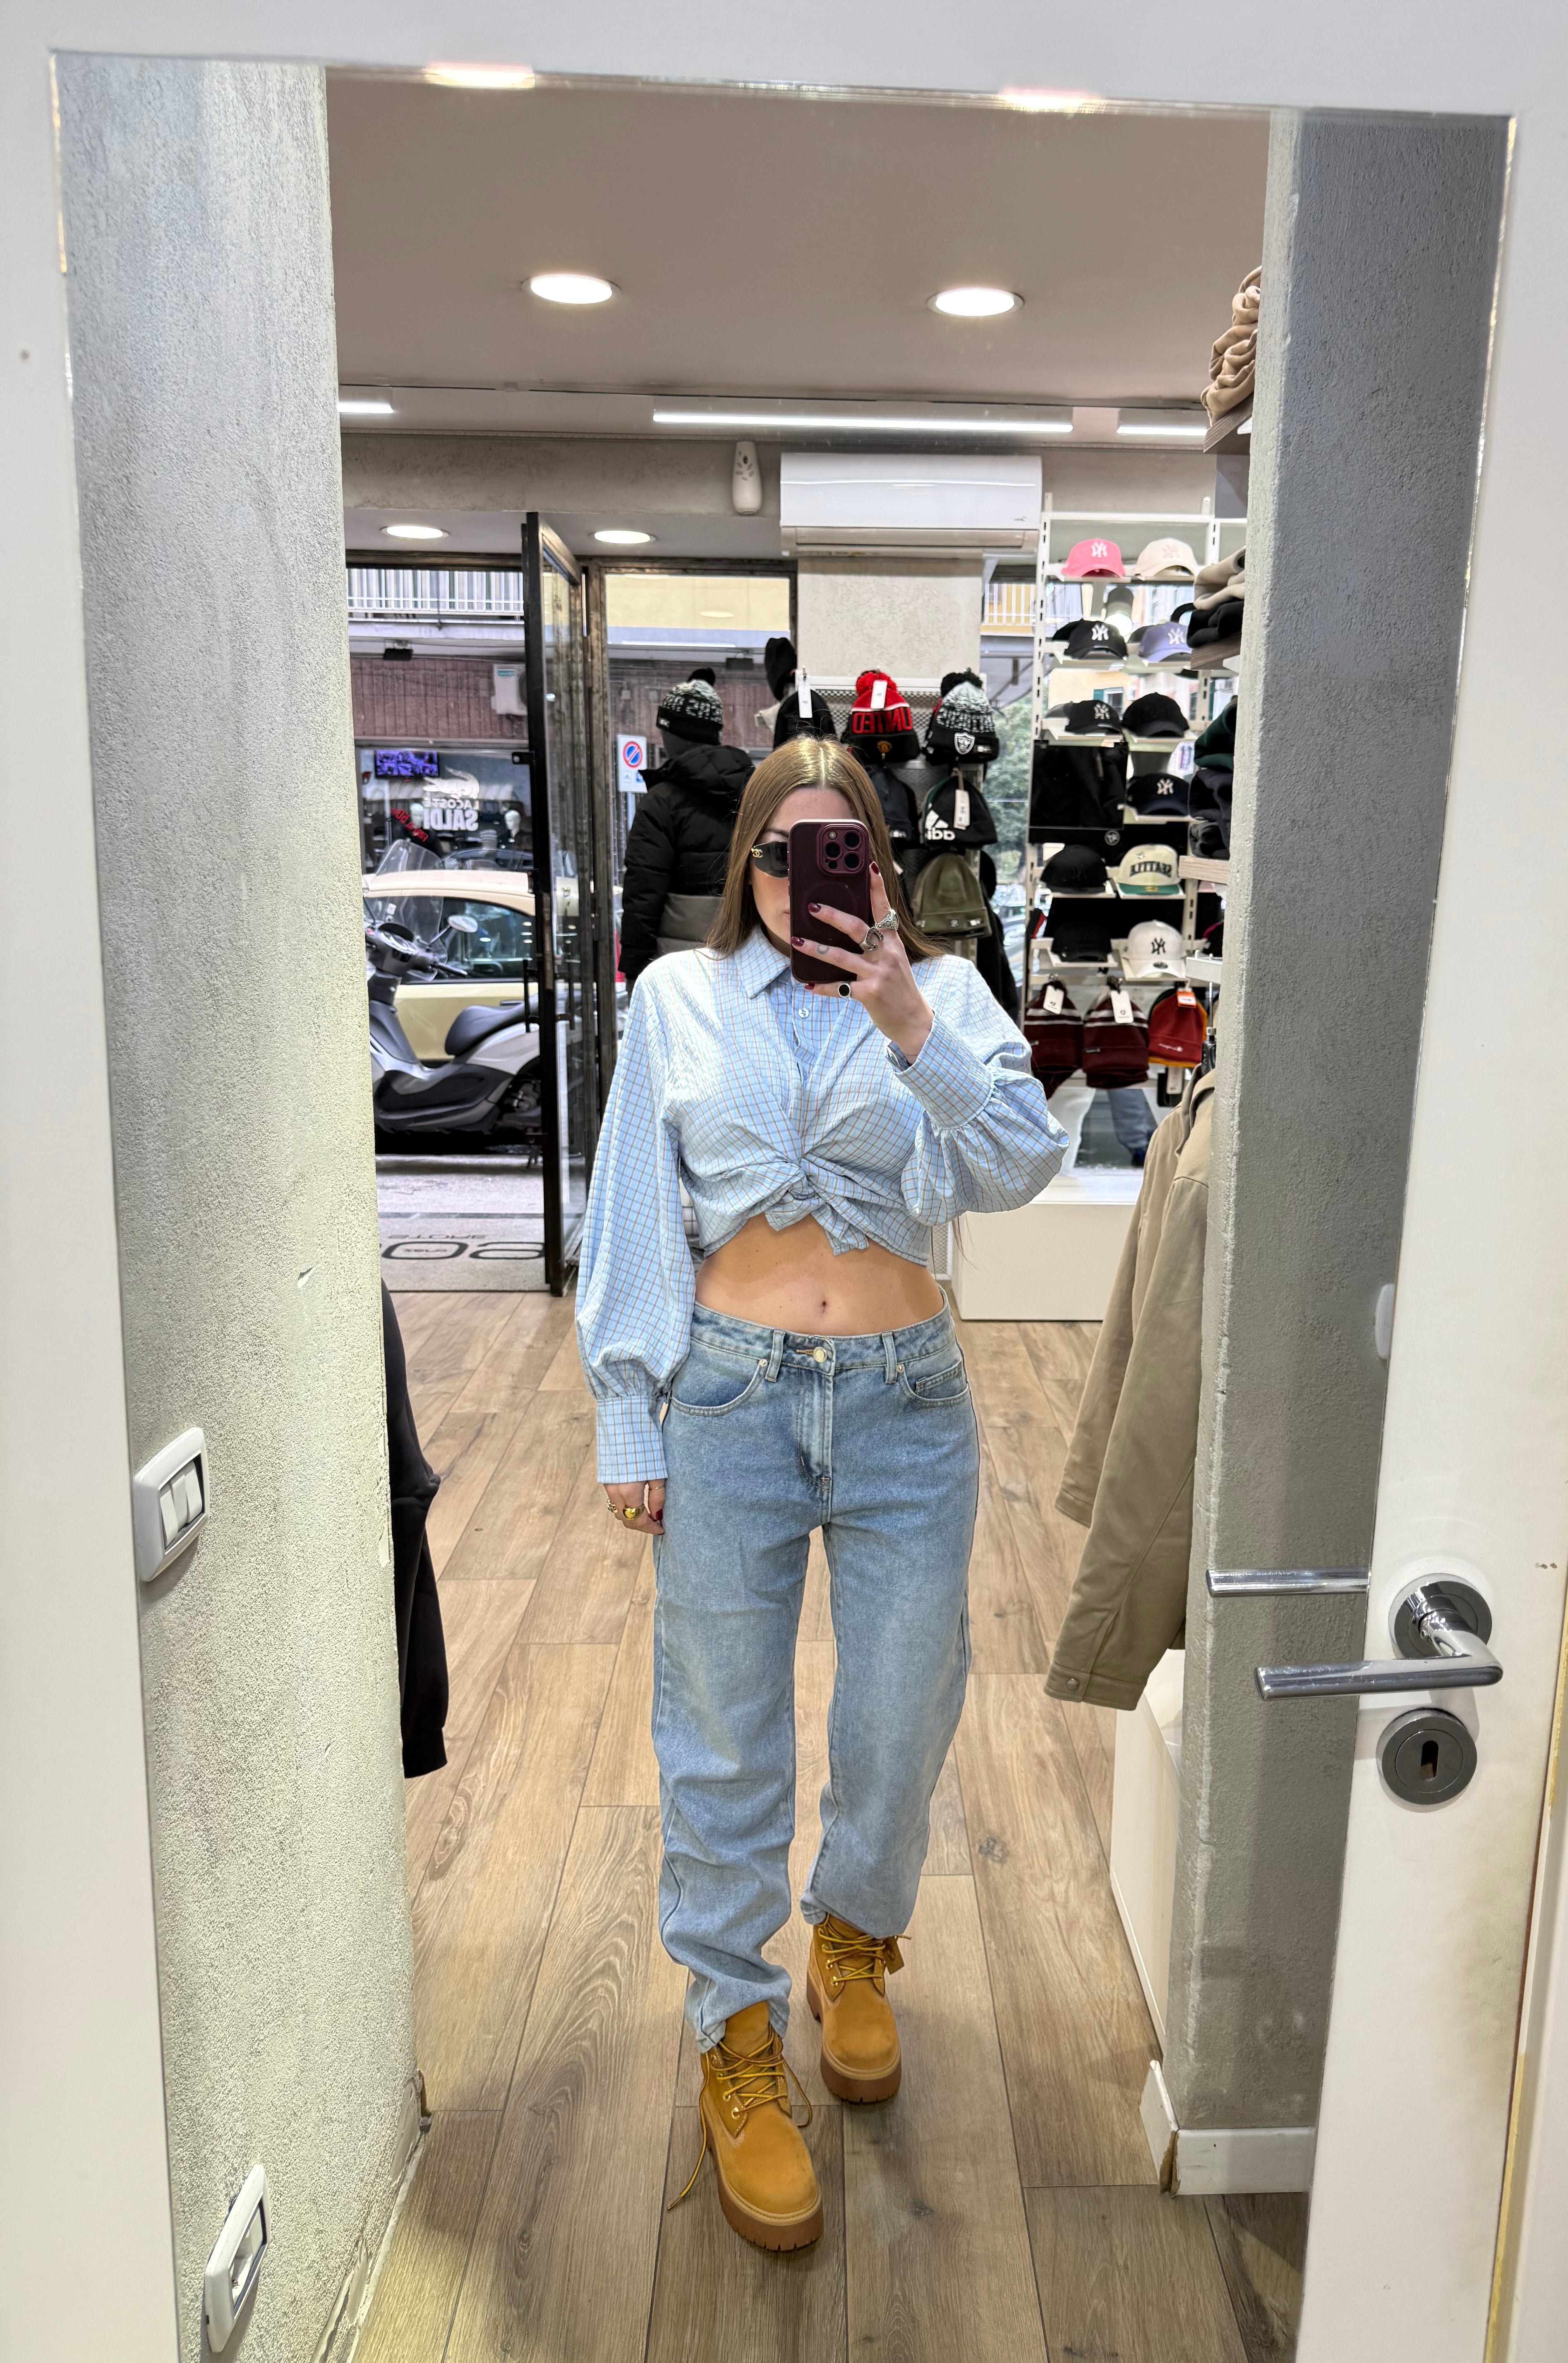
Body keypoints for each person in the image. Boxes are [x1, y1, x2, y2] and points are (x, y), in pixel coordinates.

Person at [576, 737, 1066, 2253]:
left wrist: (907, 1019)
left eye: (833, 848)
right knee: (722, 1723)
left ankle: (852, 1939)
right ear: (747, 865)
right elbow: (634, 1204)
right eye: (779, 854)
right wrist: (630, 1411)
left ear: (876, 857)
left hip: (909, 1404)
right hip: (730, 1399)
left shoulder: (945, 998)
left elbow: (1022, 1162)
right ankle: (736, 2027)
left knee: (902, 1708)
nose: (805, 879)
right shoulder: (679, 998)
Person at [619, 669, 753, 978]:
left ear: (674, 734)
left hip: (677, 964)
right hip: (749, 951)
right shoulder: (756, 793)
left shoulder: (662, 802)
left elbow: (643, 893)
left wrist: (635, 969)